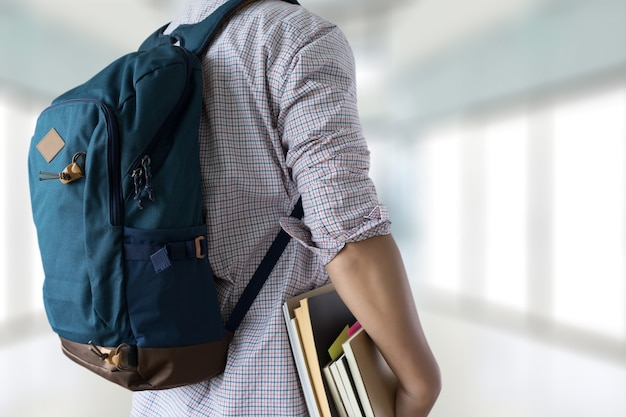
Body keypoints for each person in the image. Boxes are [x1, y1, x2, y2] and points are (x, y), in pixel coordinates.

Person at [131, 0, 441, 415]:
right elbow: (346, 235)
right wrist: (420, 383)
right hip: (260, 386)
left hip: (161, 390)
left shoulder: (153, 50)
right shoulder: (295, 37)